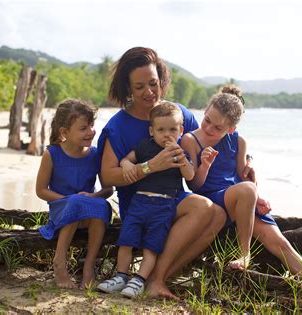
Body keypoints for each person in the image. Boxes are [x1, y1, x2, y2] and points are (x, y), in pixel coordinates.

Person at [97, 47, 255, 300]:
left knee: (217, 214)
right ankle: (152, 278)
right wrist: (150, 166)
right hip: (139, 202)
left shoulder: (177, 114)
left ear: (161, 79)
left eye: (153, 83)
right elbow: (107, 177)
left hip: (172, 197)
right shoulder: (118, 126)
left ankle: (157, 279)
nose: (149, 92)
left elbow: (218, 137)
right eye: (139, 87)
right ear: (127, 88)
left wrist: (246, 162)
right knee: (205, 208)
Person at [181, 85, 302, 289]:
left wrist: (256, 198)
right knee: (248, 189)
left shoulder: (239, 141)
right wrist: (205, 166)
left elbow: (243, 178)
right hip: (214, 201)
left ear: (231, 129)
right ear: (205, 111)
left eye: (218, 128)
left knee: (279, 242)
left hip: (240, 199)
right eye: (207, 120)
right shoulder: (191, 140)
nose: (209, 128)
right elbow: (194, 185)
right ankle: (244, 253)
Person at [98, 102, 194, 298]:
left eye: (173, 129)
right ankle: (121, 276)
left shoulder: (180, 153)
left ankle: (139, 280)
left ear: (181, 130)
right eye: (161, 129)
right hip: (139, 202)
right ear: (152, 131)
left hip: (164, 205)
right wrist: (126, 165)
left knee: (152, 246)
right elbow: (126, 159)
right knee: (126, 241)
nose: (167, 134)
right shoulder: (144, 147)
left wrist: (181, 158)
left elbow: (190, 175)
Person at [36, 99, 113, 289]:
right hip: (61, 209)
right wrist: (69, 200)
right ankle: (59, 264)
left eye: (92, 126)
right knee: (75, 203)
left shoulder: (95, 154)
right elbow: (41, 191)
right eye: (83, 128)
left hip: (87, 209)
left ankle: (88, 267)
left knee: (102, 206)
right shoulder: (52, 154)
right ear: (64, 132)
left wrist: (91, 197)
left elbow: (107, 189)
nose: (91, 131)